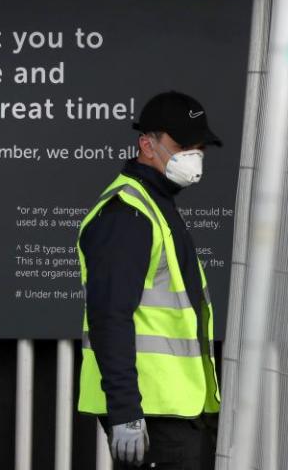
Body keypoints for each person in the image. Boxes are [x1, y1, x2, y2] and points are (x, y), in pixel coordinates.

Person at [76, 91, 222, 469]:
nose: (193, 155)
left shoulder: (155, 205)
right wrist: (125, 412)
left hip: (173, 408)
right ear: (146, 144)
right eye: (182, 145)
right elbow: (109, 317)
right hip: (151, 414)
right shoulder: (128, 213)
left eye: (198, 146)